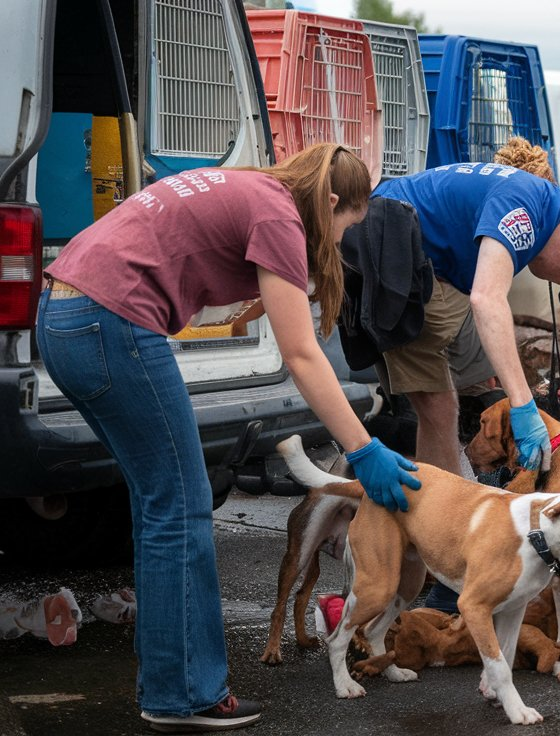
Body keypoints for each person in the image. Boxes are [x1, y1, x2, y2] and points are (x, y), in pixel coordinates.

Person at [38, 143, 420, 731]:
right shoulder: (279, 216)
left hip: (65, 317)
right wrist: (363, 449)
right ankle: (185, 695)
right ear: (333, 201)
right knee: (182, 506)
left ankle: (169, 687)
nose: (342, 242)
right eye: (347, 227)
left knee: (161, 504)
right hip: (108, 322)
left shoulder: (250, 187)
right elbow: (301, 354)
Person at [371, 139, 560, 475]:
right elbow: (486, 298)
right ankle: (447, 515)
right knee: (436, 405)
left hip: (427, 260)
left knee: (465, 391)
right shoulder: (526, 212)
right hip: (387, 238)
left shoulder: (544, 203)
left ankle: (442, 503)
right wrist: (523, 404)